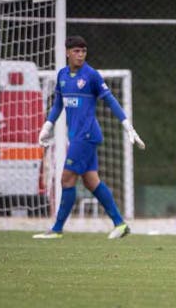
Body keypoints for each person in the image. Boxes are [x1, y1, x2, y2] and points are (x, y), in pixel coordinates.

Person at [33, 36, 145, 239]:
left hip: (86, 135)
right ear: (67, 52)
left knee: (66, 179)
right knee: (91, 181)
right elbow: (59, 103)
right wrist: (47, 126)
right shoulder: (62, 75)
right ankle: (120, 224)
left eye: (83, 51)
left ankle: (57, 229)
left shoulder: (91, 75)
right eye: (76, 51)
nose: (80, 55)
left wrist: (127, 126)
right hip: (77, 135)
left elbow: (110, 100)